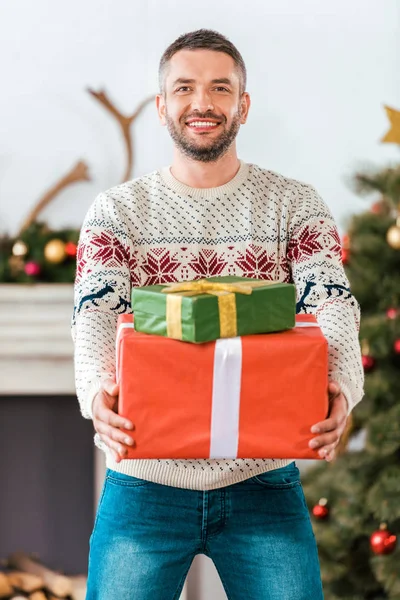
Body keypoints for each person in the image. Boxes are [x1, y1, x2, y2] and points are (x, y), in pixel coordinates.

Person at [71, 29, 364, 600]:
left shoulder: (295, 205)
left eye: (219, 88)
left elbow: (331, 301)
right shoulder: (116, 211)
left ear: (243, 105)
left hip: (262, 479)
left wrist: (341, 387)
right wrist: (95, 393)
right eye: (184, 88)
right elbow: (95, 313)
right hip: (144, 484)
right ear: (162, 107)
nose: (201, 103)